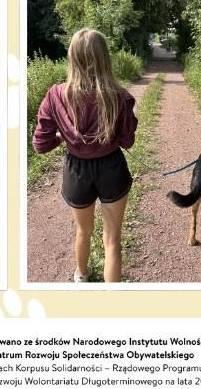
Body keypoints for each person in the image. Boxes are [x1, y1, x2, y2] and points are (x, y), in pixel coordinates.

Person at [32, 28, 138, 283]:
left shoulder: (55, 95)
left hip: (76, 171)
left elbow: (40, 144)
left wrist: (62, 138)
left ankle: (81, 276)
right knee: (112, 240)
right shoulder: (118, 96)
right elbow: (128, 141)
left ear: (72, 58)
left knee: (83, 231)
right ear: (105, 58)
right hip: (111, 168)